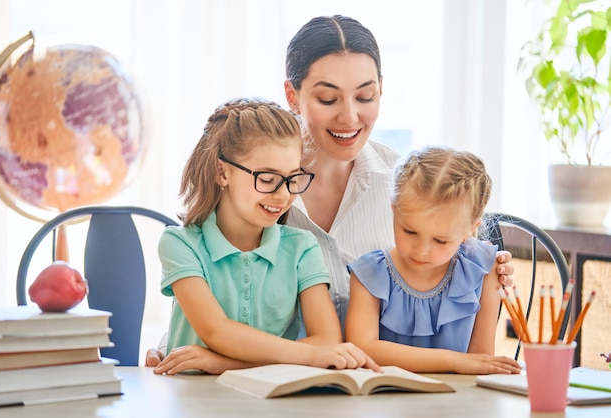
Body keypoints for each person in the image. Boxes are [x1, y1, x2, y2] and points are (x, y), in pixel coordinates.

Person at [146, 14, 514, 367]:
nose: (349, 117)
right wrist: (178, 346)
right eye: (328, 99)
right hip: (286, 375)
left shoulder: (408, 186)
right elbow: (217, 290)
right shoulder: (255, 189)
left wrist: (486, 269)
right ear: (292, 94)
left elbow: (454, 252)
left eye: (365, 97)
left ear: (381, 92)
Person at [151, 97, 379, 376]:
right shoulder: (180, 243)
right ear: (222, 172)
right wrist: (311, 355)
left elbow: (327, 340)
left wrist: (224, 364)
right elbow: (216, 331)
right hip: (190, 393)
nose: (284, 195)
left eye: (293, 178)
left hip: (272, 395)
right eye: (268, 179)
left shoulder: (301, 247)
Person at [345, 146, 521, 375]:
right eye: (409, 231)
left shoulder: (485, 267)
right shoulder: (369, 273)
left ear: (471, 228)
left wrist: (464, 364)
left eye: (440, 240)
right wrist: (453, 361)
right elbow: (363, 348)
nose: (422, 251)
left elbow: (481, 359)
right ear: (393, 209)